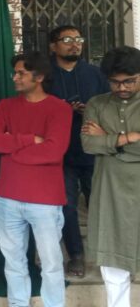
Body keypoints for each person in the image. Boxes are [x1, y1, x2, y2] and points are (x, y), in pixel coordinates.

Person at [0, 52, 72, 307]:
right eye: (15, 73)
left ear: (39, 77)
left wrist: (11, 150)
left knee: (51, 263)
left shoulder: (59, 109)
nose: (15, 77)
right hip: (7, 199)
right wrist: (28, 140)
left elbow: (53, 151)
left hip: (45, 201)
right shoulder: (5, 106)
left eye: (21, 73)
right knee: (13, 262)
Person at [46, 25, 109, 277]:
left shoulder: (95, 74)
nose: (75, 44)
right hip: (61, 155)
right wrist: (63, 110)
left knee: (101, 205)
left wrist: (91, 113)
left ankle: (107, 254)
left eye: (78, 39)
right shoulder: (45, 76)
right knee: (67, 208)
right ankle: (76, 256)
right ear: (53, 46)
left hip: (94, 152)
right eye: (67, 40)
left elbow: (109, 107)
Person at [81, 46, 140, 307]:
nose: (122, 87)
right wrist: (129, 138)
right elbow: (88, 144)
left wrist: (109, 139)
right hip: (110, 190)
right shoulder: (97, 104)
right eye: (115, 82)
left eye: (129, 81)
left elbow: (99, 143)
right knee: (113, 261)